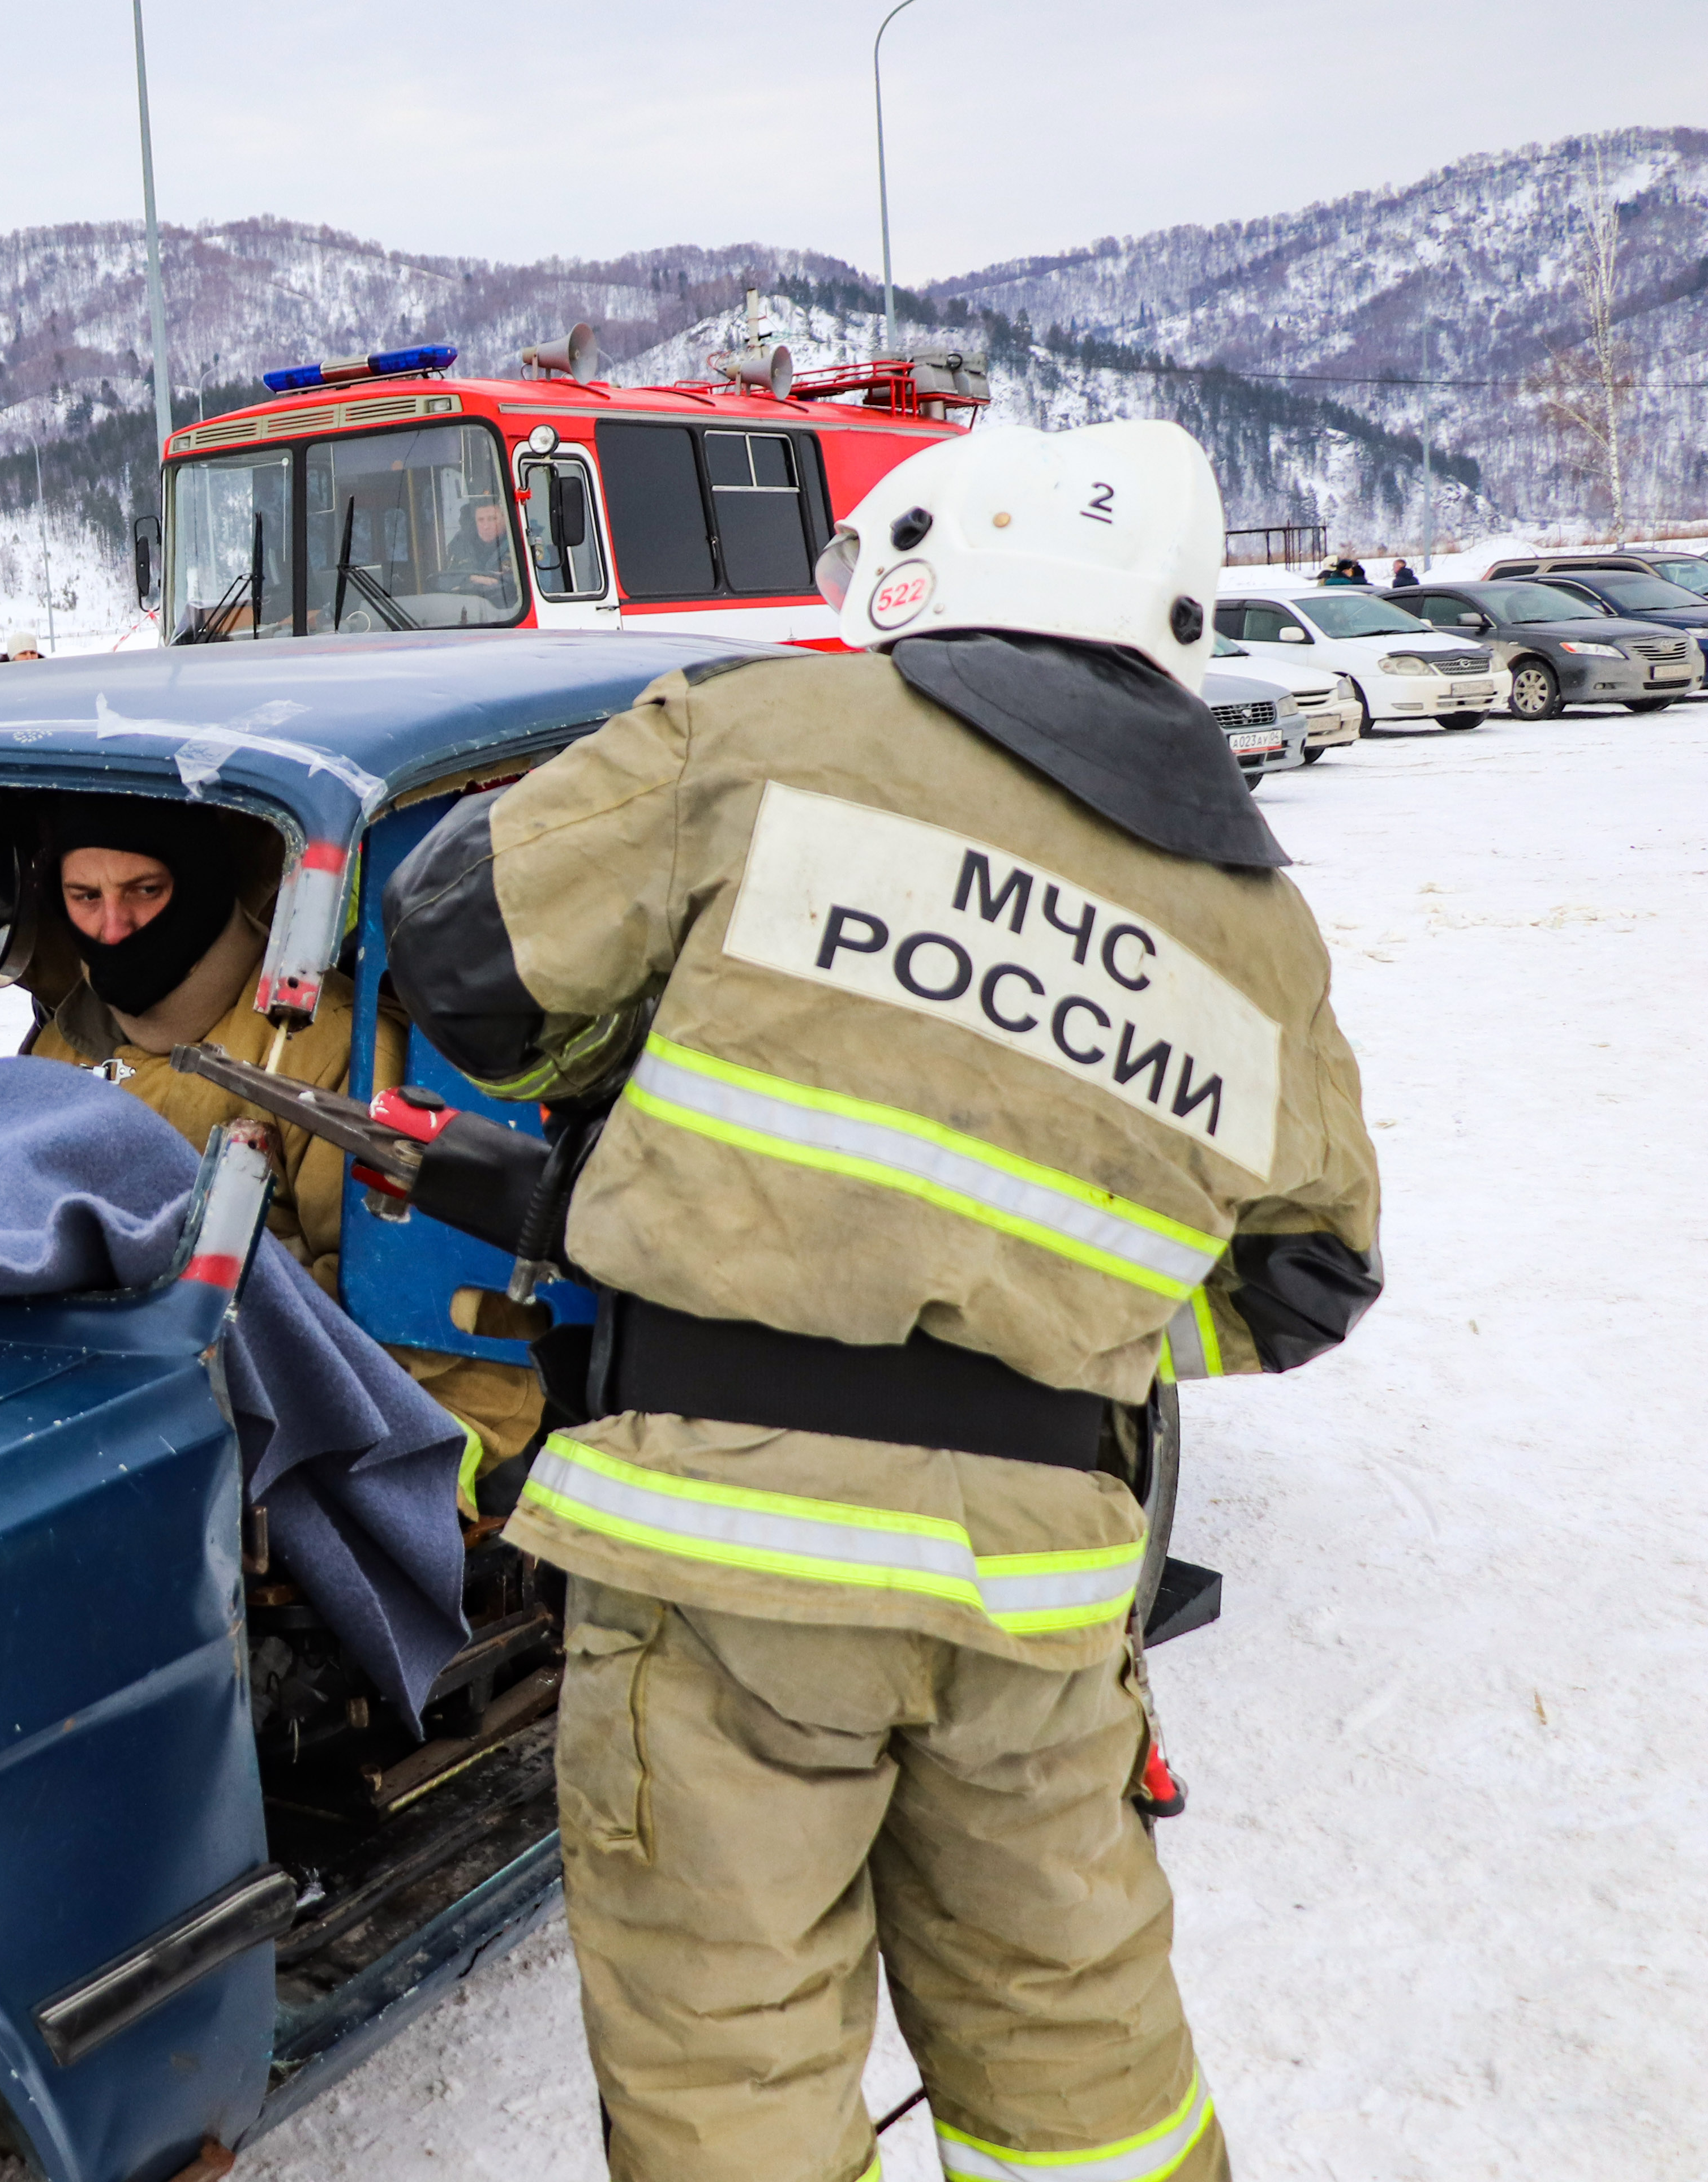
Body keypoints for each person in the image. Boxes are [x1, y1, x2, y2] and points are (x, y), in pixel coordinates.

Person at [384, 419, 1384, 2182]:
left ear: (927, 552)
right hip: (1039, 1602)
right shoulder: (1255, 919)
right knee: (1091, 2088)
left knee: (733, 2085)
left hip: (724, 1564)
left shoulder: (758, 732)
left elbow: (464, 948)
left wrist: (643, 1121)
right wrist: (1055, 1322)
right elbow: (1308, 1279)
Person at [22, 794, 543, 1480]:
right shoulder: (59, 1048)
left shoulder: (326, 1049)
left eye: (145, 891)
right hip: (127, 1396)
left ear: (201, 883)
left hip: (390, 1415)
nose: (113, 926)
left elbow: (378, 1291)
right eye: (84, 896)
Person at [445, 496, 518, 603]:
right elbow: (446, 580)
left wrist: (477, 583)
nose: (486, 526)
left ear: (505, 519)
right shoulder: (462, 545)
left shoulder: (522, 543)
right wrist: (471, 579)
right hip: (469, 611)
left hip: (510, 611)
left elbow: (539, 582)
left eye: (492, 519)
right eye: (481, 520)